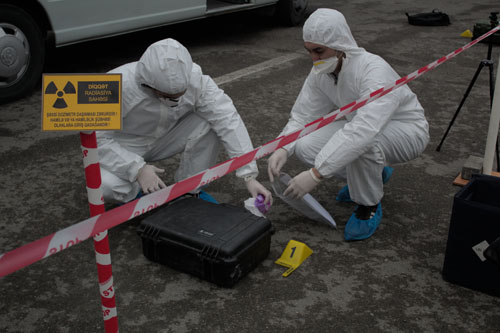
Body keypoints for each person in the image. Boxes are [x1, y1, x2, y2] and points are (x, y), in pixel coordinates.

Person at [267, 9, 429, 241]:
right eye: (309, 51)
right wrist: (283, 147)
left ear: (339, 43)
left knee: (363, 144)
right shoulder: (321, 73)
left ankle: (368, 205)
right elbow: (303, 117)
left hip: (407, 130)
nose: (314, 58)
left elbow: (363, 131)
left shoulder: (373, 70)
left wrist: (315, 174)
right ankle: (370, 175)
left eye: (319, 50)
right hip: (363, 128)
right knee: (304, 145)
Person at [97, 38, 272, 205]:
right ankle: (139, 193)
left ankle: (187, 190)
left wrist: (249, 176)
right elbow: (96, 140)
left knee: (210, 122)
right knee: (104, 186)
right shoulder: (113, 85)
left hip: (166, 138)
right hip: (126, 145)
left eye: (179, 96)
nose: (174, 101)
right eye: (167, 97)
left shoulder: (196, 79)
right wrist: (136, 169)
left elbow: (227, 119)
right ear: (148, 85)